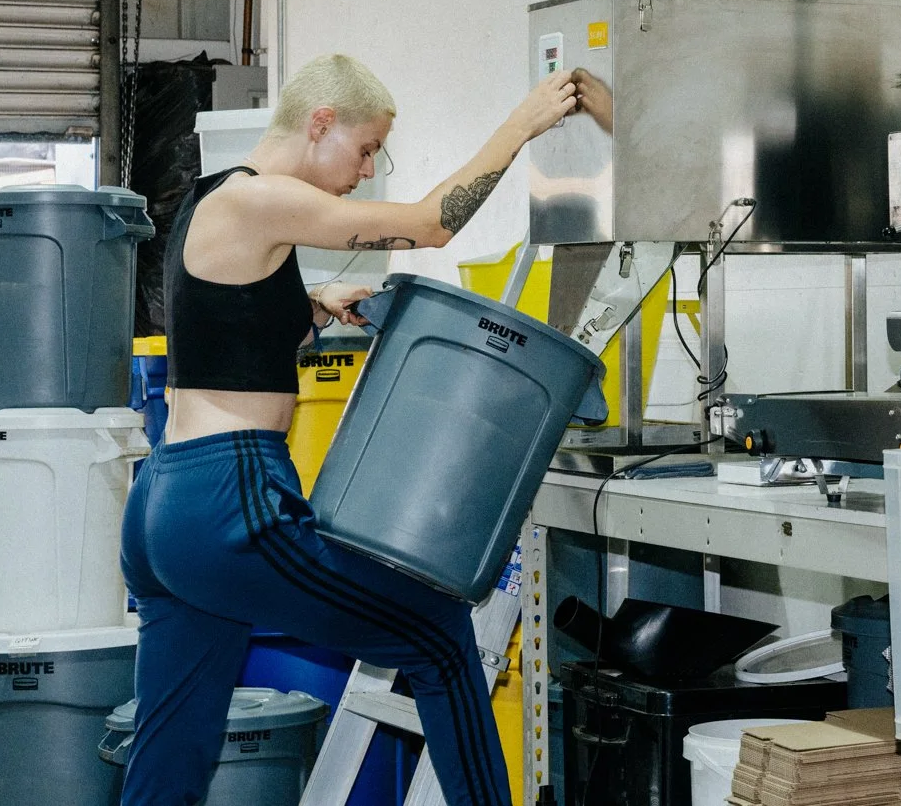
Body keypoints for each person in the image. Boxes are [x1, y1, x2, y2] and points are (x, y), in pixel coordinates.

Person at [119, 53, 576, 806]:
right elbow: (428, 225)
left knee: (172, 750)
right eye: (364, 149)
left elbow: (224, 329)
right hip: (231, 498)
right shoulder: (264, 202)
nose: (366, 170)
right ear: (321, 122)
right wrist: (521, 124)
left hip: (167, 504)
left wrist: (314, 300)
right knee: (437, 638)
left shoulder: (215, 198)